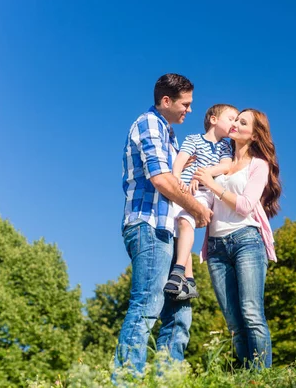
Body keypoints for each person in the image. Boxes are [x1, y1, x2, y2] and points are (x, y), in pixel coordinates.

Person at [115, 73, 212, 375]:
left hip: (168, 231)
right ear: (166, 101)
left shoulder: (170, 135)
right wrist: (197, 209)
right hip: (148, 227)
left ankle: (167, 378)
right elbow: (161, 179)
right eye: (186, 104)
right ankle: (127, 378)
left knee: (179, 310)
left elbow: (176, 184)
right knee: (147, 305)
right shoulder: (149, 124)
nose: (190, 110)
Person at [194, 108, 281, 368]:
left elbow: (244, 205)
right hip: (216, 247)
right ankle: (247, 376)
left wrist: (212, 184)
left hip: (247, 241)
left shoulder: (258, 165)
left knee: (252, 314)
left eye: (242, 122)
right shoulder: (222, 160)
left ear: (254, 135)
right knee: (233, 321)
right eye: (235, 119)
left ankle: (262, 377)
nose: (235, 124)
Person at [163, 104, 238, 301]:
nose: (234, 123)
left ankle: (178, 271)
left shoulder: (225, 146)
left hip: (203, 192)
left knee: (185, 222)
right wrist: (176, 178)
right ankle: (190, 280)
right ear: (214, 119)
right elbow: (180, 160)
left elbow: (226, 166)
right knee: (179, 231)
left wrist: (203, 175)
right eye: (231, 118)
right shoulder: (193, 139)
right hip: (183, 190)